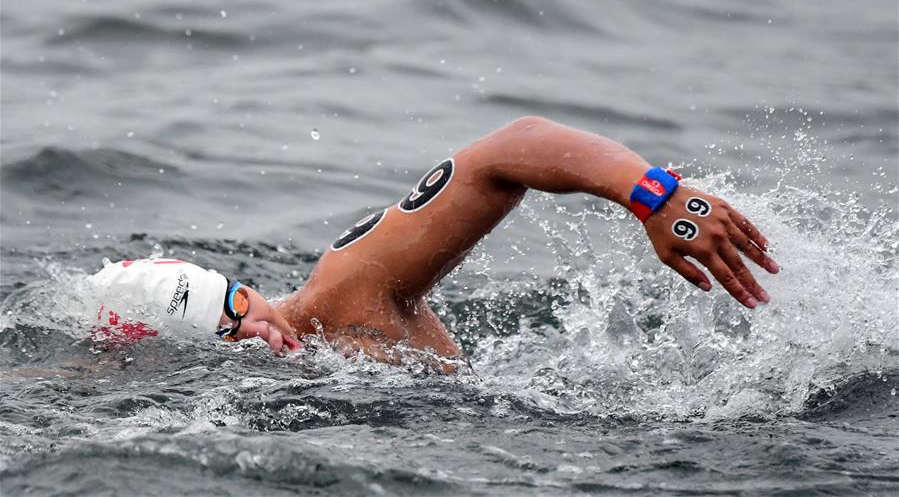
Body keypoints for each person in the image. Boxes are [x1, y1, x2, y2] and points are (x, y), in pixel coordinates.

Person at [89, 116, 779, 366]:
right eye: (226, 336)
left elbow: (504, 151)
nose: (261, 334)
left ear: (244, 287)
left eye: (243, 306)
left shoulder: (350, 291)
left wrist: (652, 193)